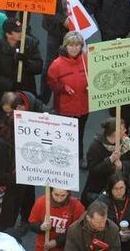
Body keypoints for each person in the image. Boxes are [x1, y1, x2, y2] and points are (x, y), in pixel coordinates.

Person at [41, 0, 95, 103]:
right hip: (56, 30)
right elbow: (47, 9)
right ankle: (43, 100)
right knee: (49, 64)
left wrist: (80, 17)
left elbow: (92, 4)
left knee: (77, 66)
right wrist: (63, 20)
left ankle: (75, 97)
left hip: (77, 31)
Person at [0, 117, 34, 232]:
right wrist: (18, 176)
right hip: (4, 193)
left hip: (14, 188)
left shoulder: (15, 142)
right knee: (6, 222)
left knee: (10, 218)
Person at [47, 32, 90, 168]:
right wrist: (63, 87)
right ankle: (64, 159)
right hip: (65, 108)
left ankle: (79, 158)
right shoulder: (57, 64)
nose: (74, 48)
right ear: (65, 46)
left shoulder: (86, 59)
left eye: (77, 45)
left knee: (80, 133)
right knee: (66, 136)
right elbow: (51, 83)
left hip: (84, 106)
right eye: (71, 45)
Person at [81, 118, 130, 206]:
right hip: (99, 190)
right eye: (122, 129)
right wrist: (110, 160)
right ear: (115, 132)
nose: (125, 130)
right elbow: (94, 170)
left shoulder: (126, 142)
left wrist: (123, 165)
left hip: (120, 188)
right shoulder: (95, 147)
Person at [0, 18, 43, 116]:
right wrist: (11, 84)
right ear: (8, 34)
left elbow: (39, 67)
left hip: (26, 93)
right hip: (4, 96)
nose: (22, 33)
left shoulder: (31, 43)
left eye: (22, 29)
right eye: (17, 31)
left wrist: (27, 63)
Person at [95, 173, 130, 251]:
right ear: (110, 189)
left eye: (121, 188)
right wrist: (116, 235)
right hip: (110, 242)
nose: (119, 191)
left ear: (126, 187)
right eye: (115, 188)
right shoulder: (102, 202)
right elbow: (96, 225)